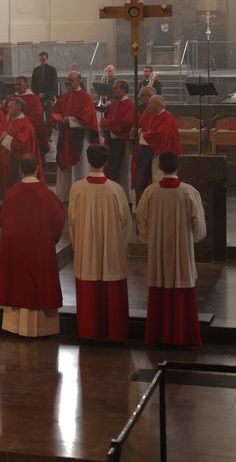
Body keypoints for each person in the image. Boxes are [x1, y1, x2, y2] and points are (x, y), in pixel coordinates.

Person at [137, 152, 206, 348]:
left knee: (159, 282)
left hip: (158, 250)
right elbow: (199, 226)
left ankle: (158, 335)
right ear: (178, 166)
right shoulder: (189, 192)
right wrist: (192, 237)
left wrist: (149, 237)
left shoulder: (150, 192)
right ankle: (184, 335)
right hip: (182, 248)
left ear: (159, 167)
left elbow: (141, 219)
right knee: (182, 282)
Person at [68, 144, 132, 342]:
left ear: (88, 161)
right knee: (111, 290)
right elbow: (126, 223)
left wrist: (79, 245)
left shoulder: (77, 189)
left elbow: (72, 221)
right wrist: (120, 247)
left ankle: (89, 331)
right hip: (111, 249)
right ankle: (114, 332)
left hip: (86, 247)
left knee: (89, 288)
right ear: (106, 162)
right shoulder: (115, 189)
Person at [0, 154, 65, 337]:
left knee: (19, 284)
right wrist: (49, 240)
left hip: (17, 250)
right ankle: (44, 328)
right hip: (40, 250)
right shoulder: (48, 195)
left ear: (21, 169)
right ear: (37, 169)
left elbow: (3, 220)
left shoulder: (11, 195)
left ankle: (15, 326)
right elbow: (59, 221)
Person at [52, 72, 99, 202]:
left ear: (79, 80)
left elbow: (87, 116)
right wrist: (59, 118)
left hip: (80, 136)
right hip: (65, 134)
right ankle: (65, 194)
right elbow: (56, 111)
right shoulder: (65, 96)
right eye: (67, 80)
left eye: (71, 80)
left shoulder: (86, 97)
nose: (69, 82)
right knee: (64, 162)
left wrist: (70, 120)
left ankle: (80, 194)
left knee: (79, 165)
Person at [135, 95, 181, 203]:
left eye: (150, 103)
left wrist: (143, 134)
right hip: (156, 154)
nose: (148, 106)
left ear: (158, 105)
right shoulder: (156, 116)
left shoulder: (166, 118)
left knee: (160, 178)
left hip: (165, 156)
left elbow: (160, 134)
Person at [0, 97, 43, 196]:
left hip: (17, 160)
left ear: (18, 109)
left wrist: (5, 137)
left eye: (10, 107)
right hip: (7, 159)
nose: (7, 109)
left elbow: (20, 145)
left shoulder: (25, 124)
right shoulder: (12, 120)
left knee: (16, 183)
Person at [101, 81, 135, 193]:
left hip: (122, 141)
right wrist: (105, 125)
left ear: (124, 90)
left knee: (120, 170)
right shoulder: (114, 104)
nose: (113, 90)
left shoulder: (130, 105)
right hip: (111, 140)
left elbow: (127, 123)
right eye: (113, 88)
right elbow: (108, 118)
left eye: (116, 88)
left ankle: (119, 192)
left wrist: (107, 123)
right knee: (110, 167)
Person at [4, 76, 48, 156]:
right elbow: (4, 113)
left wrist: (19, 120)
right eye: (15, 84)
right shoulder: (11, 98)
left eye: (19, 84)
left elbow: (37, 117)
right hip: (10, 132)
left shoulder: (34, 99)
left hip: (25, 133)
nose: (17, 86)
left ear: (26, 85)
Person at [31, 52, 58, 130]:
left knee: (48, 118)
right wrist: (37, 94)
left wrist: (45, 95)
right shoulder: (36, 70)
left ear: (47, 59)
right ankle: (40, 133)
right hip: (38, 97)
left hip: (48, 97)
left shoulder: (52, 69)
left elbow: (53, 85)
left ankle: (48, 134)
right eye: (40, 60)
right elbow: (33, 84)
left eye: (44, 59)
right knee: (38, 117)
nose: (42, 61)